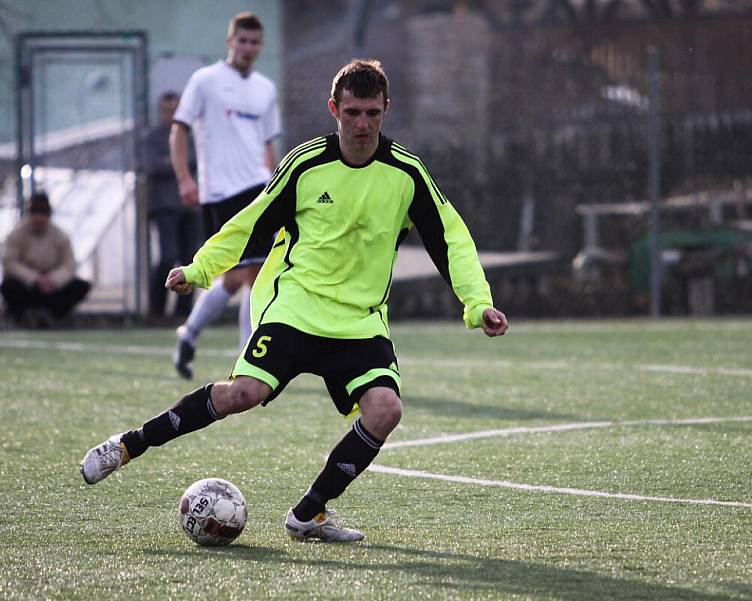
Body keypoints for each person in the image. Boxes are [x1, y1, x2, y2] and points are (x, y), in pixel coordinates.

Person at [80, 60, 508, 543]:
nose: (362, 124)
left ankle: (309, 513)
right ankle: (128, 446)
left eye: (372, 112)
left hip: (359, 322)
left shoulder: (407, 174)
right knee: (242, 394)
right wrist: (200, 269)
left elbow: (451, 238)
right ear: (334, 110)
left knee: (386, 409)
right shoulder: (306, 164)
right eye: (352, 112)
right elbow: (252, 222)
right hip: (295, 308)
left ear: (387, 109)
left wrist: (477, 303)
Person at [169, 11, 281, 379]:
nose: (248, 48)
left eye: (254, 42)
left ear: (261, 46)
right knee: (245, 273)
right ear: (230, 42)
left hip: (257, 187)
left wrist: (277, 185)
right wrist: (186, 178)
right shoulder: (205, 80)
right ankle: (247, 360)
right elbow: (180, 131)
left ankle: (190, 333)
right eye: (242, 41)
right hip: (220, 190)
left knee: (244, 275)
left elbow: (267, 145)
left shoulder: (266, 89)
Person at [143, 91, 201, 320]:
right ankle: (156, 310)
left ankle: (183, 312)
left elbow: (196, 159)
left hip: (190, 207)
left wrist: (171, 159)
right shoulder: (153, 136)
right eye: (167, 110)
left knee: (189, 259)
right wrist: (178, 161)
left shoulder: (190, 135)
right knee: (168, 257)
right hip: (165, 207)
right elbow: (152, 165)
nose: (171, 115)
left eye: (175, 110)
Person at [0, 192, 90, 326]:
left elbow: (69, 264)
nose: (39, 218)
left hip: (53, 287)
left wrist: (53, 280)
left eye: (42, 213)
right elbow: (10, 263)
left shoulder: (60, 236)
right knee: (9, 287)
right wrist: (35, 279)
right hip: (27, 286)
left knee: (80, 287)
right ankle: (23, 318)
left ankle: (53, 317)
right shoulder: (16, 234)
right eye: (35, 213)